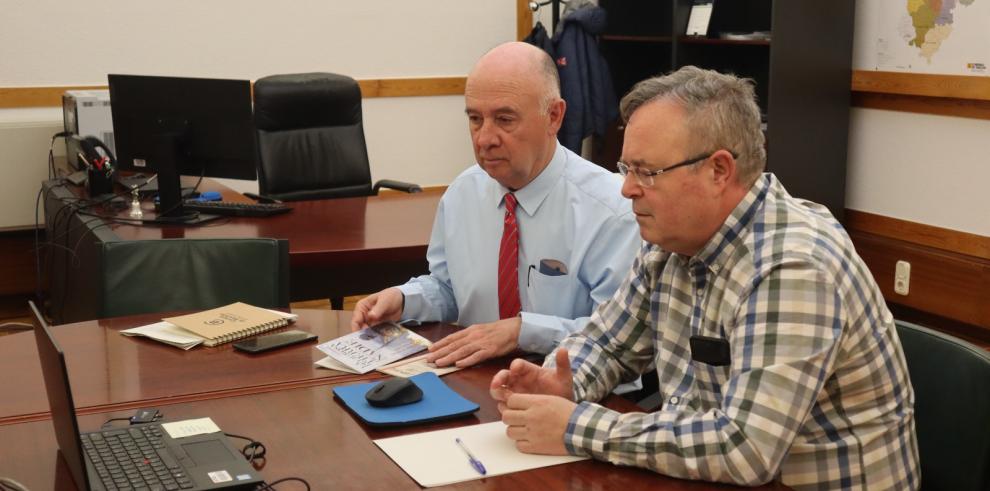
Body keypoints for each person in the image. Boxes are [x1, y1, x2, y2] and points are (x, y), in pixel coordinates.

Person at [491, 66, 920, 490]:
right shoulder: (671, 240)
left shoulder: (793, 266)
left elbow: (745, 449)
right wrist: (564, 382)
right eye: (627, 169)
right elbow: (608, 344)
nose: (627, 190)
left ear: (719, 170)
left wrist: (577, 426)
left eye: (647, 172)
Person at [350, 42, 640, 375]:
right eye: (475, 119)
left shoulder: (612, 211)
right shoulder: (463, 194)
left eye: (504, 119)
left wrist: (522, 333)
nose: (484, 138)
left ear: (554, 116)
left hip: (574, 393)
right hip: (473, 380)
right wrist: (403, 299)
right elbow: (450, 289)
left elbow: (621, 342)